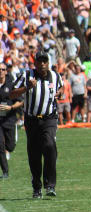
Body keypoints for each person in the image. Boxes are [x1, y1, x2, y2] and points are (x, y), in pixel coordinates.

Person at [10, 51, 63, 198]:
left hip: (49, 118)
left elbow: (61, 88)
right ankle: (37, 187)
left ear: (48, 62)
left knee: (49, 145)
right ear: (35, 63)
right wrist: (27, 87)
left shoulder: (55, 76)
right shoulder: (27, 75)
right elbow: (12, 94)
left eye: (45, 61)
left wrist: (60, 93)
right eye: (39, 61)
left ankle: (50, 185)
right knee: (34, 154)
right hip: (32, 119)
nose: (42, 64)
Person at [0, 63, 23, 178]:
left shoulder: (11, 85)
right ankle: (5, 172)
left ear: (6, 72)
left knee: (10, 146)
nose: (1, 71)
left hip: (9, 119)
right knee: (0, 146)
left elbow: (20, 101)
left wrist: (11, 107)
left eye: (3, 69)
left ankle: (8, 148)